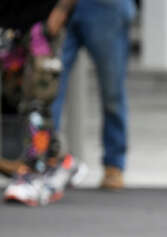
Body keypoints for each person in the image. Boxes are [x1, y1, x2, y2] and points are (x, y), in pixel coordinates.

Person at [0, 0, 80, 205]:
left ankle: (34, 171)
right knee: (12, 99)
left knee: (38, 100)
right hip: (9, 26)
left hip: (42, 24)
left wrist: (59, 14)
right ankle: (56, 159)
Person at [50, 0, 134, 190]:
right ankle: (46, 158)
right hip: (60, 6)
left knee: (112, 90)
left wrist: (62, 7)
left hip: (106, 7)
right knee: (49, 86)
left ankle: (114, 164)